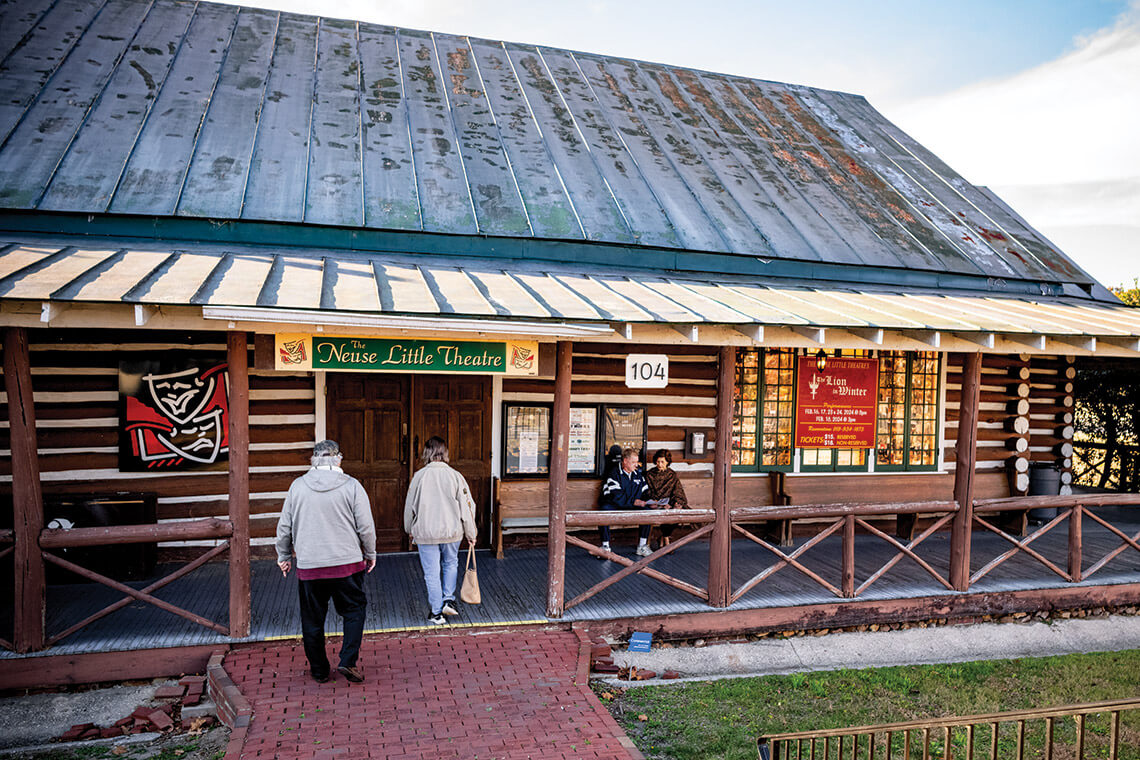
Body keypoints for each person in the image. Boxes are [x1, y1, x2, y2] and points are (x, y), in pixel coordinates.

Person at [276, 440, 376, 684]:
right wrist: (370, 553)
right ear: (338, 459)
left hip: (310, 566)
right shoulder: (352, 486)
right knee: (354, 610)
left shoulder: (298, 486)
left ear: (314, 459)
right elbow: (365, 527)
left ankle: (320, 670)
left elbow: (284, 527)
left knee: (312, 619)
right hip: (347, 564)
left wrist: (284, 555)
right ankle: (347, 660)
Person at [404, 436, 478, 625]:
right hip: (451, 530)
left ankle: (436, 613)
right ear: (445, 452)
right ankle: (448, 600)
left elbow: (409, 506)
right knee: (451, 563)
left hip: (425, 532)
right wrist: (471, 533)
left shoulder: (419, 476)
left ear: (426, 453)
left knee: (431, 572)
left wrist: (409, 528)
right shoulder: (455, 476)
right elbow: (467, 506)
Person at [599, 447, 653, 556]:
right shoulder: (614, 474)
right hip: (614, 504)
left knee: (648, 511)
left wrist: (651, 502)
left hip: (632, 504)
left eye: (637, 462)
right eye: (633, 462)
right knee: (603, 511)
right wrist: (634, 502)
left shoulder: (637, 474)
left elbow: (645, 492)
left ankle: (642, 546)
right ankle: (605, 546)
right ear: (625, 461)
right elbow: (617, 497)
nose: (636, 465)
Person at [645, 448, 689, 547]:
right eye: (657, 461)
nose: (659, 464)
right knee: (664, 512)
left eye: (662, 462)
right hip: (654, 504)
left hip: (669, 503)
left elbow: (678, 492)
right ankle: (666, 540)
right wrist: (655, 501)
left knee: (677, 511)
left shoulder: (672, 475)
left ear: (667, 462)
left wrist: (672, 503)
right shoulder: (649, 474)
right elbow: (646, 491)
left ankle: (664, 536)